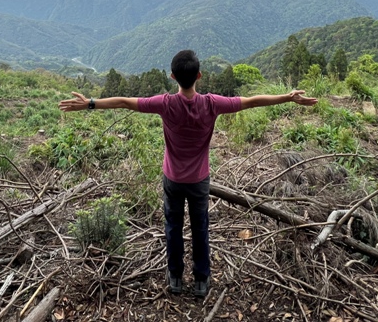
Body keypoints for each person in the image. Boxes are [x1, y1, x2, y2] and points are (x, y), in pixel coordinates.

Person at [58, 49, 317, 298]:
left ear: (172, 77)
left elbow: (125, 102)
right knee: (200, 228)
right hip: (199, 181)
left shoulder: (165, 104)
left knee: (173, 227)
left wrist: (89, 103)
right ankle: (202, 280)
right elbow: (251, 102)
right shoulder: (212, 104)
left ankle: (175, 277)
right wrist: (287, 96)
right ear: (199, 75)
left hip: (172, 179)